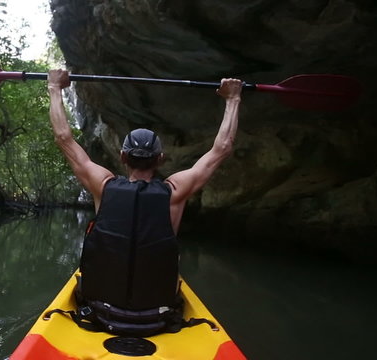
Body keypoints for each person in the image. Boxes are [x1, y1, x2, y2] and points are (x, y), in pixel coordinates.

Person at [47, 69, 242, 335]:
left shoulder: (102, 186)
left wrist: (54, 87)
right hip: (157, 316)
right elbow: (223, 148)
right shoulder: (175, 192)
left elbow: (63, 138)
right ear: (160, 159)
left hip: (99, 312)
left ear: (123, 157)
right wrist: (233, 99)